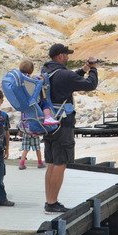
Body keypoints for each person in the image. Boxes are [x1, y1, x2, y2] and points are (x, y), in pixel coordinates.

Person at [40, 44, 98, 214]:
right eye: (66, 54)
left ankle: (49, 201)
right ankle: (52, 203)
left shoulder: (46, 72)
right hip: (63, 125)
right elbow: (90, 85)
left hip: (49, 124)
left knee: (51, 163)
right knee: (60, 163)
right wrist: (93, 70)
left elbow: (69, 80)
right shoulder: (63, 74)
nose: (68, 57)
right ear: (59, 56)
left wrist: (84, 68)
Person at [16, 59, 46, 170]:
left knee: (25, 147)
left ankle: (22, 163)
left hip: (24, 122)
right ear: (31, 70)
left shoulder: (18, 81)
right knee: (37, 146)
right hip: (33, 121)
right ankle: (39, 162)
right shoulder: (30, 80)